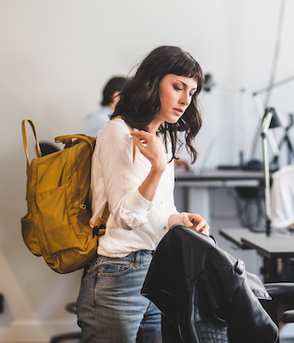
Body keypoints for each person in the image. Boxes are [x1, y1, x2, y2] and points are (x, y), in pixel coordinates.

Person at [76, 45, 209, 343]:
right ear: (153, 81)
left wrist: (180, 219)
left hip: (156, 270)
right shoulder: (117, 133)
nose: (186, 100)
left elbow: (161, 212)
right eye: (178, 87)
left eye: (192, 91)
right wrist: (157, 168)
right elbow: (126, 217)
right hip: (119, 273)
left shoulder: (162, 137)